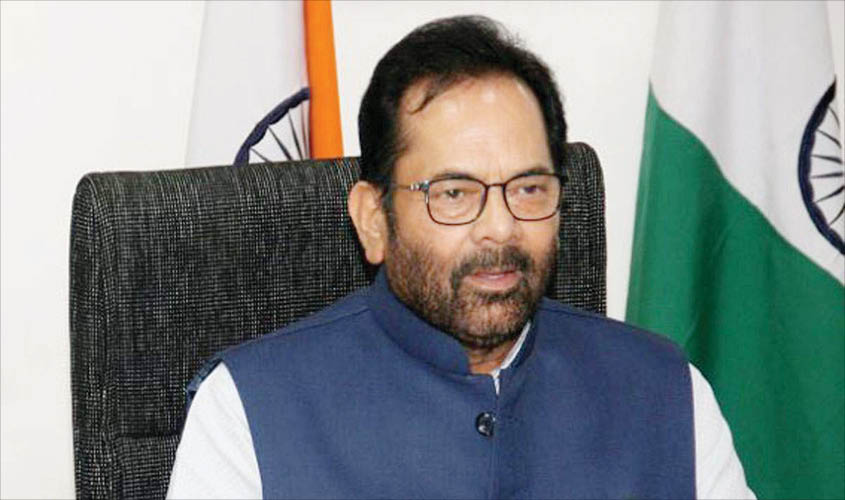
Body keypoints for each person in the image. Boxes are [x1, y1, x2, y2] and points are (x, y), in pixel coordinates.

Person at [167, 15, 755, 499]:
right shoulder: (248, 411)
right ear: (373, 218)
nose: (500, 227)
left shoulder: (667, 392)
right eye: (454, 193)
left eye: (529, 188)